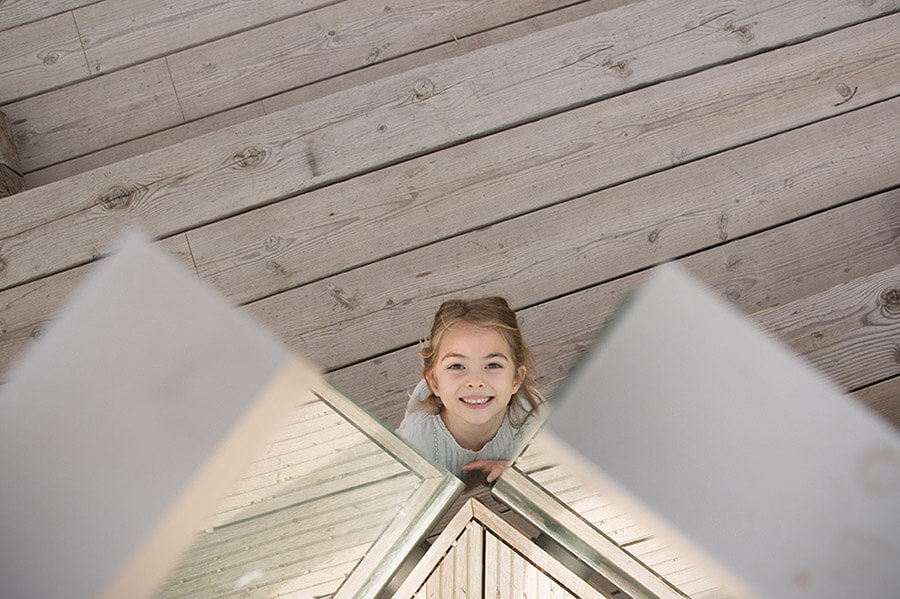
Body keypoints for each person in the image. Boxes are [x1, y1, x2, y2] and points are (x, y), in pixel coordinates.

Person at [397, 296, 544, 483]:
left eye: (492, 365)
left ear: (516, 379)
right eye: (457, 366)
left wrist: (517, 470)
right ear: (433, 383)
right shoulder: (419, 441)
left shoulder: (532, 418)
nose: (475, 382)